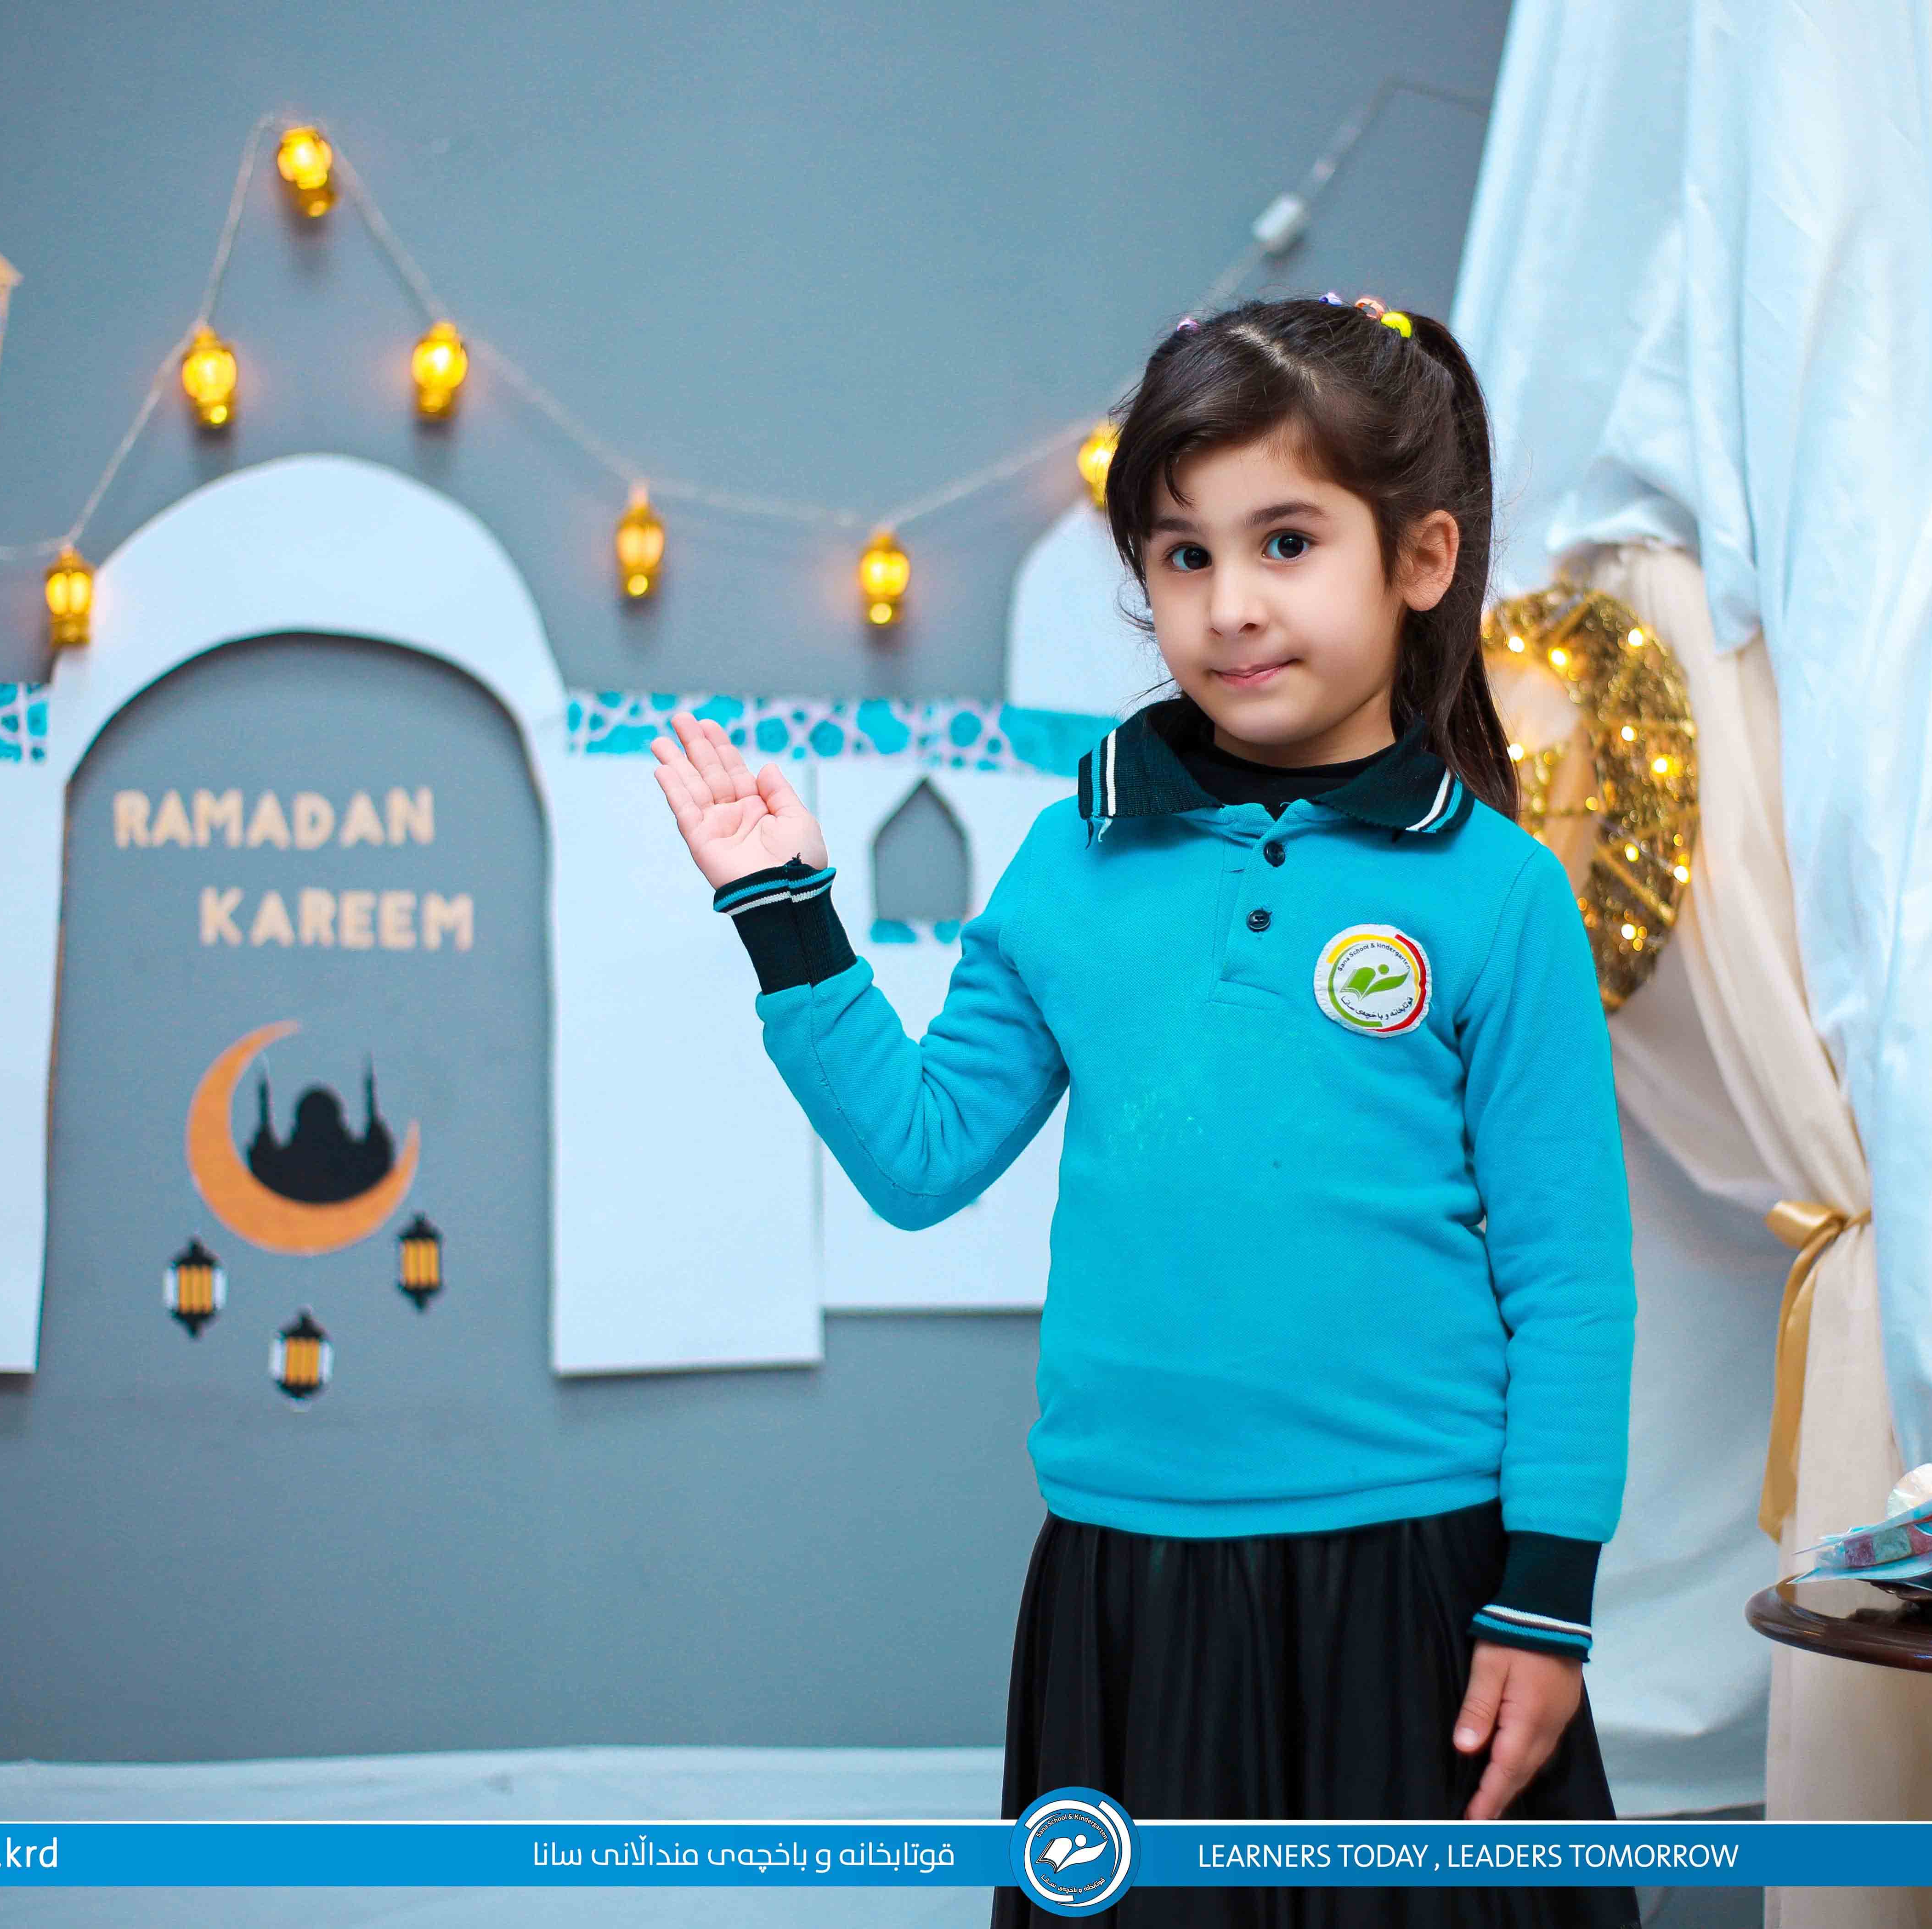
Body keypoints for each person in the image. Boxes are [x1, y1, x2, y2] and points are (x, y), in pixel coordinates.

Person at [648, 294, 1639, 1928]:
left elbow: (1571, 1281)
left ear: (1420, 558)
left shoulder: (1500, 893)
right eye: (1184, 556)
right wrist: (787, 916)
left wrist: (1547, 1603)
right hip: (1130, 1580)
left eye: (1287, 543)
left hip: (1421, 1570)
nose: (1231, 605)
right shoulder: (1071, 860)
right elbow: (919, 1158)